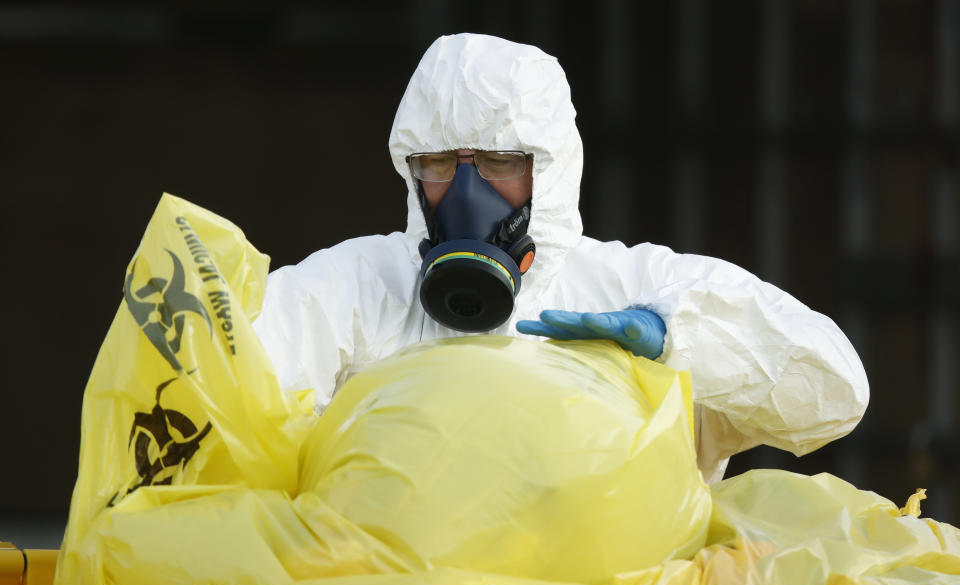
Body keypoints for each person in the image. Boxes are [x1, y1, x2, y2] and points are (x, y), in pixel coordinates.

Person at [252, 33, 869, 484]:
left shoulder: (634, 288)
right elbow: (225, 393)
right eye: (439, 164)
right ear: (411, 171)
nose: (468, 194)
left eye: (499, 163)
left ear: (549, 168)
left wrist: (679, 344)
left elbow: (835, 393)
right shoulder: (358, 288)